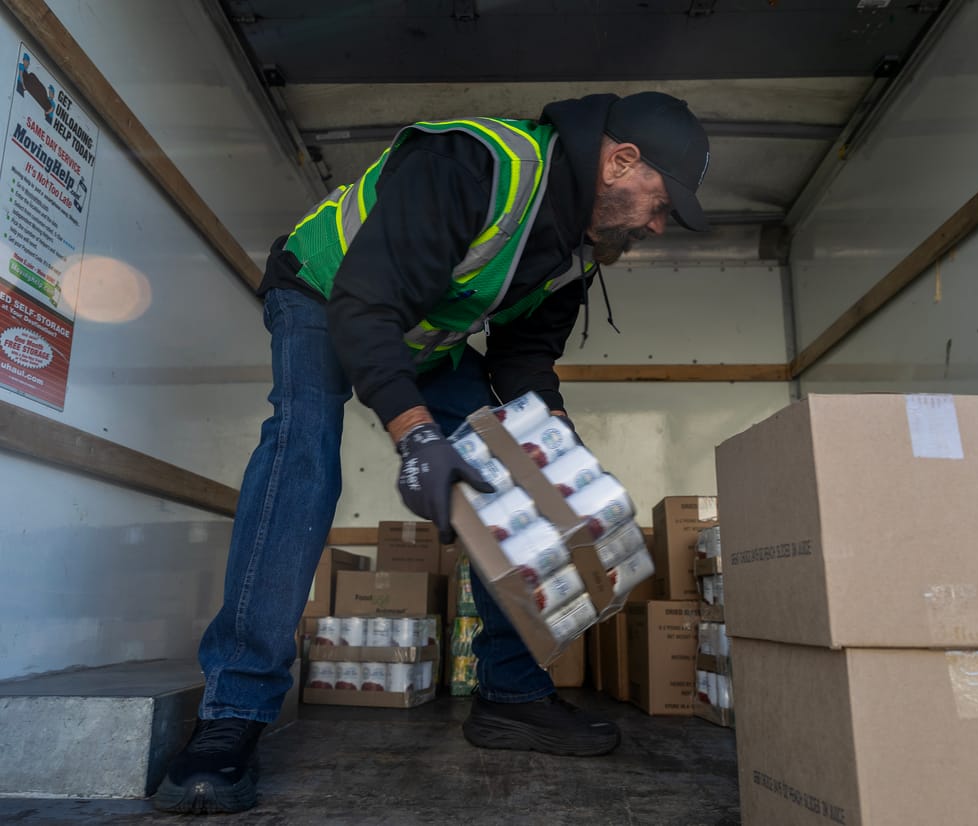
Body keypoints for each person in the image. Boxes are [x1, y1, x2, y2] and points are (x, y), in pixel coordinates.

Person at [151, 91, 710, 815]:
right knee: (303, 456)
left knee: (515, 469)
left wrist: (557, 451)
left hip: (420, 335)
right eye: (661, 204)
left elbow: (524, 362)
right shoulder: (475, 163)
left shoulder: (578, 254)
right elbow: (365, 304)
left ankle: (510, 691)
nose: (658, 226)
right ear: (620, 162)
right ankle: (232, 714)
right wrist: (414, 433)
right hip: (323, 293)